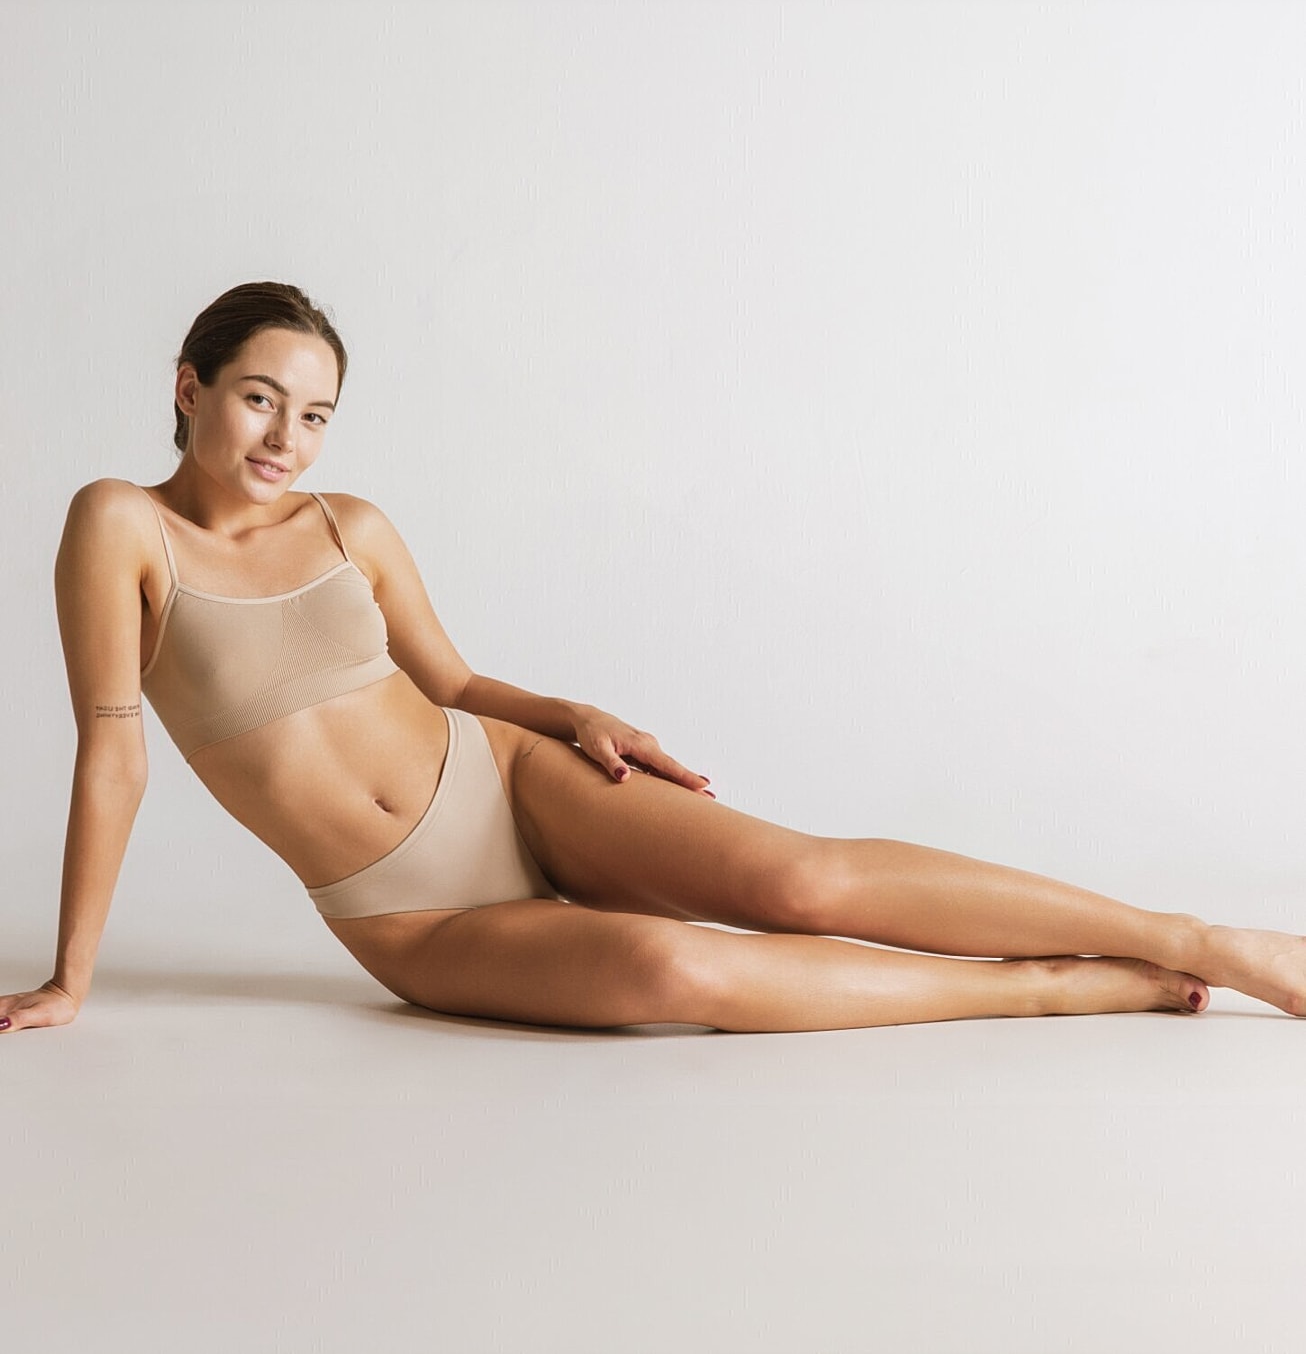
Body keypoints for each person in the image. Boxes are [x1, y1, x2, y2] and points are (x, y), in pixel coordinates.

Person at [3, 282, 1304, 1038]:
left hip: (507, 778)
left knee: (797, 878)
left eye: (316, 413)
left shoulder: (352, 525)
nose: (286, 436)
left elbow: (452, 686)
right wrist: (74, 977)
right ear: (190, 386)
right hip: (413, 913)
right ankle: (1049, 991)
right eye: (258, 398)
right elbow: (114, 750)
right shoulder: (120, 525)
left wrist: (571, 713)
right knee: (664, 975)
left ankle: (1201, 939)